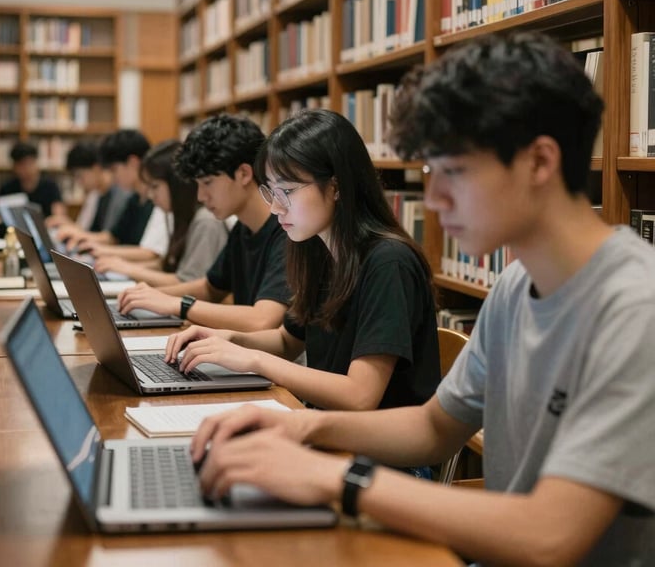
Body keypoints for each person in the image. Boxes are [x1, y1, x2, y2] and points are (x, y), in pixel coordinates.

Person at [187, 31, 655, 567]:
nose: (432, 200)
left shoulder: (635, 309)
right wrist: (301, 425)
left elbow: (550, 534)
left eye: (454, 172)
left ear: (539, 162)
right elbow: (434, 427)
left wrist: (332, 475)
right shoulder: (513, 288)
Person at [164, 109, 439, 414]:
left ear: (335, 186)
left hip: (377, 452)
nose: (276, 207)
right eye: (271, 190)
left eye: (288, 191)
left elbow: (360, 396)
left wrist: (255, 360)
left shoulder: (389, 263)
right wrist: (228, 340)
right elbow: (287, 341)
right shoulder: (316, 250)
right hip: (326, 429)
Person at [117, 114, 291, 332]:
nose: (200, 196)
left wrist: (178, 304)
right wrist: (151, 295)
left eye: (208, 183)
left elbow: (262, 320)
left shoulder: (287, 231)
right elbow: (210, 288)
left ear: (244, 173)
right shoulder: (243, 228)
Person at [94, 139, 229, 285]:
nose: (151, 195)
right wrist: (123, 267)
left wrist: (130, 270)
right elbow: (166, 266)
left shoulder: (206, 222)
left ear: (177, 184)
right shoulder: (177, 216)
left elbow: (188, 282)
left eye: (155, 187)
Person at [55, 129, 167, 261]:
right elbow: (114, 237)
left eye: (114, 170)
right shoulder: (134, 199)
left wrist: (101, 250)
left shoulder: (159, 200)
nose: (112, 177)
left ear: (133, 163)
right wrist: (89, 242)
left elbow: (151, 253)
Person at [46, 141, 131, 233]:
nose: (79, 182)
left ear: (96, 168)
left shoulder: (120, 193)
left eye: (80, 176)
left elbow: (110, 237)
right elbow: (86, 230)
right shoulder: (96, 194)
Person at [0, 140, 66, 219]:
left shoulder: (50, 187)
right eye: (22, 165)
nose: (27, 169)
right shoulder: (7, 189)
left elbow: (59, 215)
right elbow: (1, 216)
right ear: (15, 167)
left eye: (30, 163)